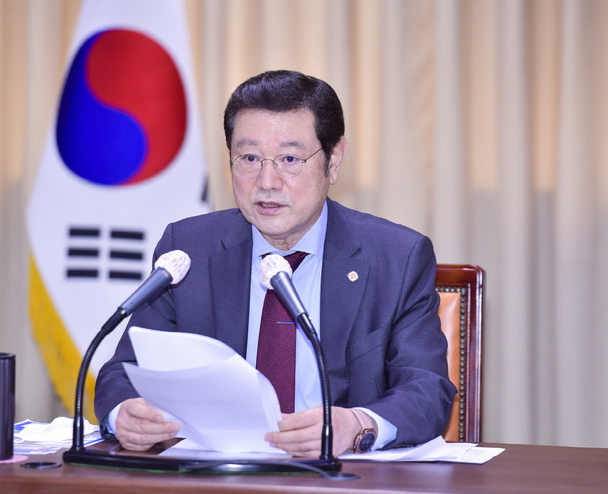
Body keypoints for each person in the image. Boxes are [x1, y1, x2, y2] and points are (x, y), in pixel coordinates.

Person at [94, 70, 456, 457]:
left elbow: (427, 389)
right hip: (218, 473)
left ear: (333, 160)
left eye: (289, 159)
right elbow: (123, 371)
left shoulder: (395, 258)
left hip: (339, 475)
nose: (267, 181)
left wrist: (358, 425)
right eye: (249, 158)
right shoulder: (189, 251)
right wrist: (124, 414)